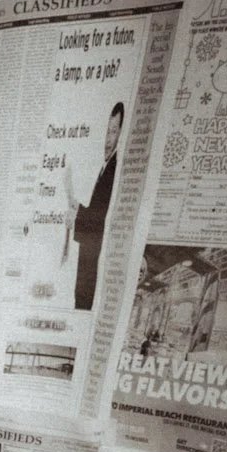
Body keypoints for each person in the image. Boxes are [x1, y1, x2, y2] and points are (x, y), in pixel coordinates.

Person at [65, 102, 123, 311]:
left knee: (83, 301)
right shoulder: (105, 166)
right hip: (88, 259)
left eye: (113, 132)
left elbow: (101, 219)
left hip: (93, 262)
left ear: (121, 134)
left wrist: (78, 214)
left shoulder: (114, 168)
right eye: (106, 132)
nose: (107, 140)